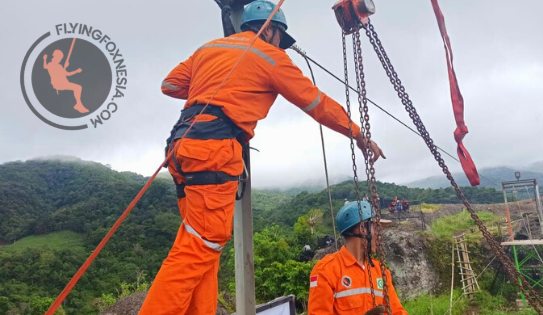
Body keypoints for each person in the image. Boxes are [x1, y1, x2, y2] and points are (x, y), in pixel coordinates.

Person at [139, 1, 385, 314]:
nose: (282, 45)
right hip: (213, 151)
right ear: (268, 29)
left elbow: (170, 84)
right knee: (197, 249)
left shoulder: (209, 48)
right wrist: (358, 134)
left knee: (205, 249)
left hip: (180, 147)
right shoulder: (271, 57)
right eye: (281, 37)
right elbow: (316, 103)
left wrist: (214, 81)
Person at [308, 201, 407, 315]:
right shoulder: (326, 271)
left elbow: (397, 311)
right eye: (377, 228)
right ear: (363, 229)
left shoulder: (380, 271)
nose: (379, 235)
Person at [43, 49, 89, 113]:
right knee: (78, 87)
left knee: (78, 87)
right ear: (56, 57)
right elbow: (67, 74)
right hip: (59, 84)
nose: (60, 60)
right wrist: (76, 71)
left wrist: (45, 59)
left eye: (60, 59)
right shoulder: (54, 65)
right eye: (59, 58)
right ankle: (78, 104)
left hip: (63, 83)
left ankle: (78, 104)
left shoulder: (56, 65)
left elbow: (46, 67)